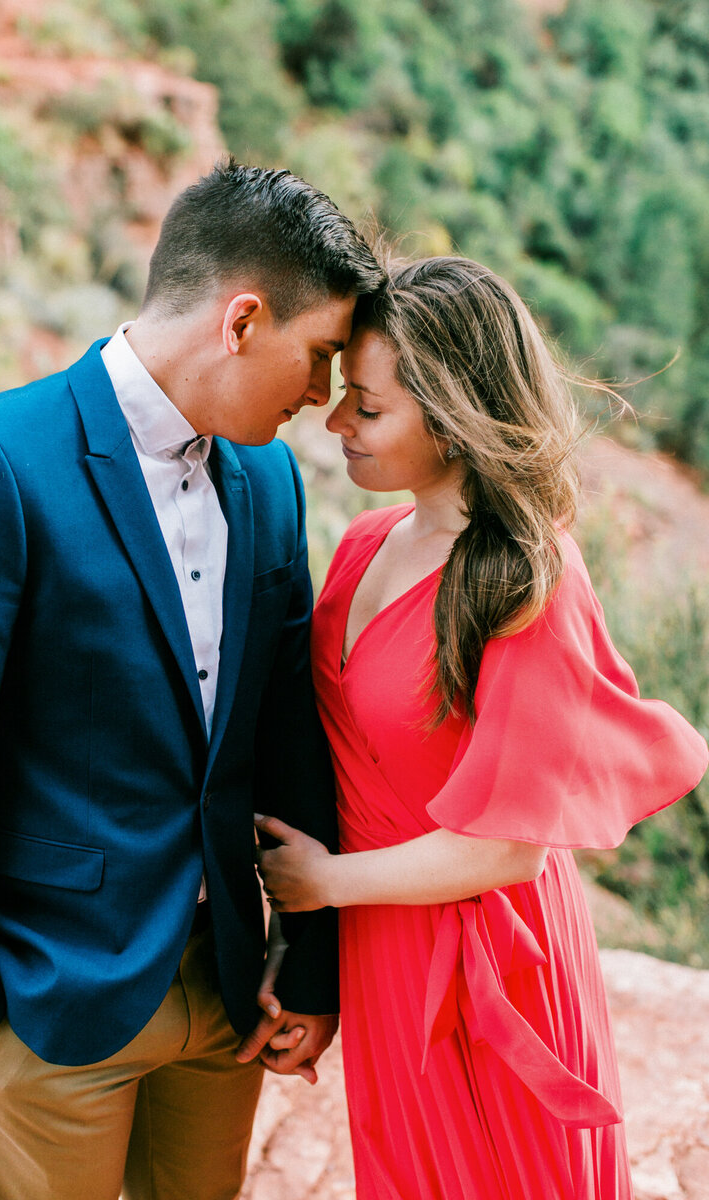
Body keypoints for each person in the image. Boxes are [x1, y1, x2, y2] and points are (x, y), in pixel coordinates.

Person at [0, 160, 385, 1200]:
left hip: (225, 996)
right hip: (46, 1001)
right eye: (316, 358)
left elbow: (283, 722)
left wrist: (306, 961)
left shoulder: (264, 476)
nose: (321, 397)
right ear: (241, 319)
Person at [253, 256, 709, 1200]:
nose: (336, 423)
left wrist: (323, 886)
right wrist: (318, 978)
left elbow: (508, 848)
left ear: (455, 417)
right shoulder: (363, 545)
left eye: (367, 409)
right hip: (384, 943)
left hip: (494, 956)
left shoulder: (525, 579)